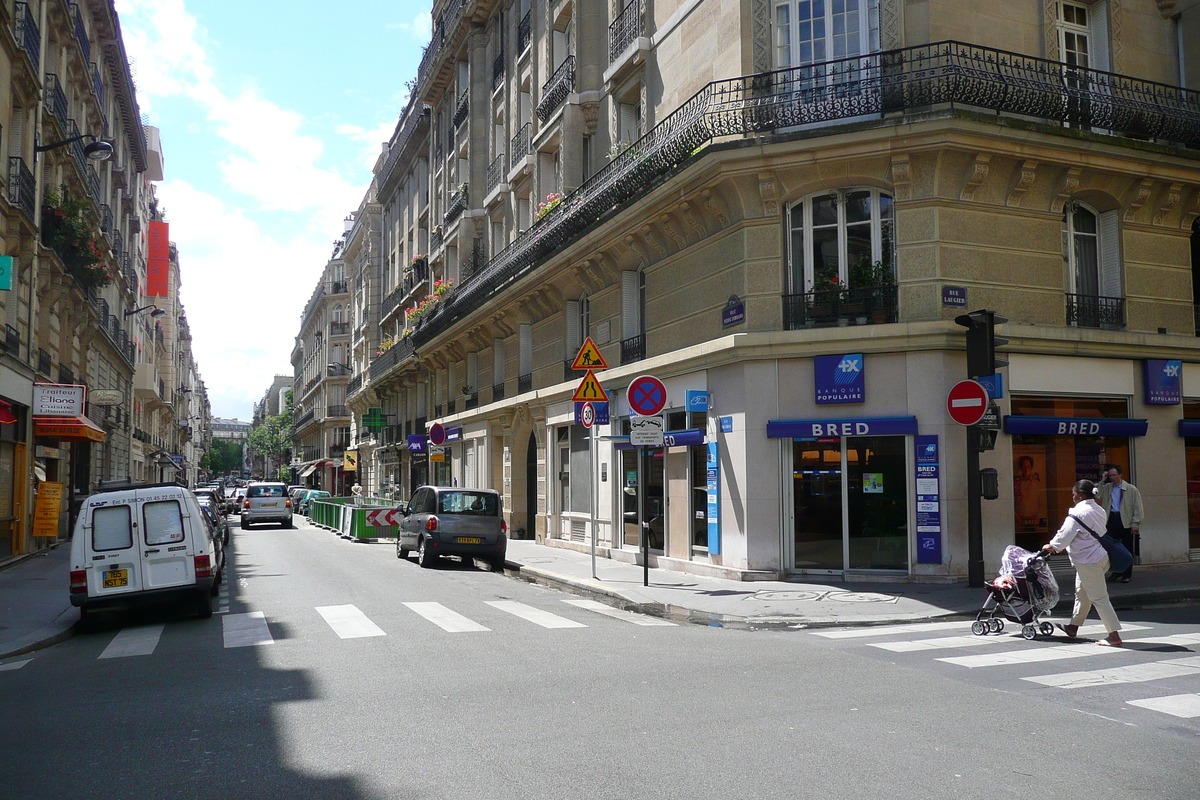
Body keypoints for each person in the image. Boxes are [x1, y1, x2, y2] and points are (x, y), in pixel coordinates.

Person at [1042, 480, 1123, 646]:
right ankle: (1073, 627)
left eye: (1073, 495)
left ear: (1080, 495)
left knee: (1099, 598)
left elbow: (1063, 537)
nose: (1072, 498)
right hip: (1100, 557)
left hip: (1088, 561)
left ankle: (1113, 635)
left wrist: (1051, 546)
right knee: (1082, 593)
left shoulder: (1077, 514)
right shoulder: (1099, 509)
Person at [1097, 464, 1142, 583]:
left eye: (1114, 475)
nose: (1112, 478)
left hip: (1125, 520)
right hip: (1111, 519)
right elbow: (1097, 494)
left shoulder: (1131, 489)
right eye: (1110, 475)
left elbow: (1137, 507)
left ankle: (1127, 574)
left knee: (1127, 548)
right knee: (1111, 548)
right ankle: (1116, 571)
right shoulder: (1107, 487)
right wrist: (1102, 480)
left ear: (1120, 475)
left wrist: (1135, 523)